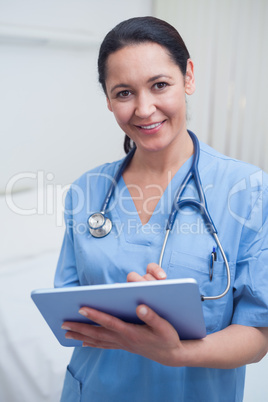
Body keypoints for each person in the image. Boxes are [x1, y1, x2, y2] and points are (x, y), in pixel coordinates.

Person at [54, 16, 268, 402]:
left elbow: (258, 334)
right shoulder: (87, 191)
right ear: (107, 99)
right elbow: (68, 310)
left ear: (188, 77)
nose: (144, 108)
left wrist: (177, 352)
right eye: (123, 93)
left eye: (159, 85)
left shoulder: (248, 190)